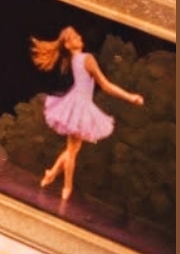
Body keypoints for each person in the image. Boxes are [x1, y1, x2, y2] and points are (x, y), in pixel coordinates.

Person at [30, 26, 144, 202]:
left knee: (72, 149)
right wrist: (130, 97)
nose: (79, 37)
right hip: (79, 105)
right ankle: (67, 187)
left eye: (77, 35)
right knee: (72, 151)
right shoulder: (87, 59)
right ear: (68, 45)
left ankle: (51, 173)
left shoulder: (76, 59)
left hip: (77, 103)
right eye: (74, 37)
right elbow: (105, 85)